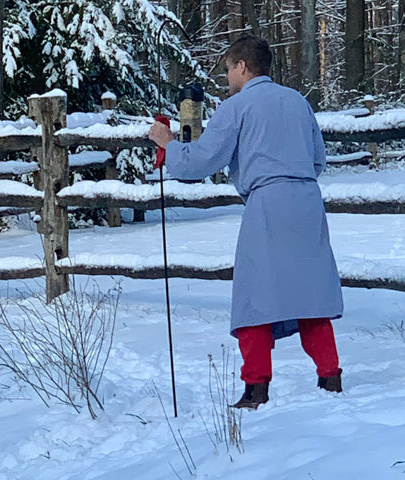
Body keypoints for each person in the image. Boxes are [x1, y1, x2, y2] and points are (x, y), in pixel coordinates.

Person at [148, 35, 344, 410]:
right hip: (306, 200)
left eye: (227, 70)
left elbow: (199, 163)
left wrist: (168, 143)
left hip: (267, 202)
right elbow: (318, 159)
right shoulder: (298, 103)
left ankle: (256, 387)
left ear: (241, 66)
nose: (226, 78)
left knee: (255, 295)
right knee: (310, 291)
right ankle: (330, 375)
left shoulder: (237, 107)